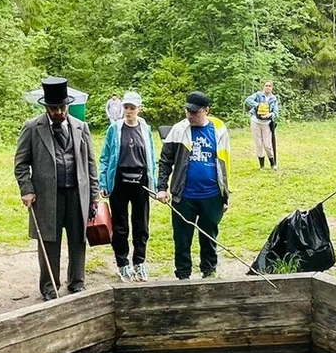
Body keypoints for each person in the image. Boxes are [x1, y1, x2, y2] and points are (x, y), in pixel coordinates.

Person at [15, 77, 100, 300]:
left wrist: (93, 195)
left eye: (61, 107)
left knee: (78, 238)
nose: (58, 112)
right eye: (53, 108)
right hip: (46, 196)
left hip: (76, 194)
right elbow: (21, 163)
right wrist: (27, 189)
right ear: (46, 107)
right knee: (49, 242)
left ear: (68, 106)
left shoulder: (81, 127)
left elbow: (90, 163)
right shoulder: (32, 128)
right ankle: (49, 287)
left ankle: (77, 282)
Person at [156, 91, 230, 280]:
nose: (190, 115)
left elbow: (224, 164)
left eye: (195, 112)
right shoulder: (179, 129)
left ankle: (209, 271)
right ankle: (183, 275)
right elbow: (165, 160)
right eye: (188, 111)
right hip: (184, 195)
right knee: (182, 239)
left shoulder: (219, 129)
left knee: (209, 236)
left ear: (206, 111)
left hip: (212, 195)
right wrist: (162, 188)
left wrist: (225, 196)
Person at [99, 90, 157, 282]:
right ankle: (122, 263)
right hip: (119, 182)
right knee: (120, 225)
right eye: (126, 107)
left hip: (140, 182)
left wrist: (154, 185)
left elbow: (151, 158)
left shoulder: (145, 129)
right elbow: (105, 157)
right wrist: (103, 182)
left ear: (139, 109)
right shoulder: (114, 129)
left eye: (132, 108)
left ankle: (139, 262)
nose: (129, 111)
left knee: (141, 225)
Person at [244, 81, 280, 170]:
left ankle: (273, 164)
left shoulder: (274, 99)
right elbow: (247, 100)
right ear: (263, 87)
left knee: (267, 144)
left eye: (269, 86)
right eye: (266, 86)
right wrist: (258, 105)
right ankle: (262, 165)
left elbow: (276, 112)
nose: (268, 87)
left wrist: (271, 114)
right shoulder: (258, 95)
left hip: (266, 123)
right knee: (258, 143)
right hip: (256, 121)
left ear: (272, 88)